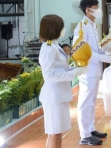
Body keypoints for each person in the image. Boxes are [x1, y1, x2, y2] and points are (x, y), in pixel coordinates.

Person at [38, 14, 88, 148]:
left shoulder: (54, 45)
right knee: (54, 133)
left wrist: (75, 68)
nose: (63, 29)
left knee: (58, 132)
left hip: (59, 95)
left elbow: (60, 69)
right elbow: (49, 76)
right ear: (54, 29)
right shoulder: (48, 48)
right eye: (61, 27)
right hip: (53, 96)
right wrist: (73, 73)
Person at [74, 0, 111, 146]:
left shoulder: (92, 25)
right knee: (85, 102)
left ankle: (90, 129)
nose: (99, 10)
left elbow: (94, 47)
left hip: (95, 69)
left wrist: (108, 48)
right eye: (96, 7)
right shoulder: (82, 27)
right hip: (87, 69)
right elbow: (83, 52)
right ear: (88, 10)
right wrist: (104, 58)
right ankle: (84, 135)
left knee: (91, 102)